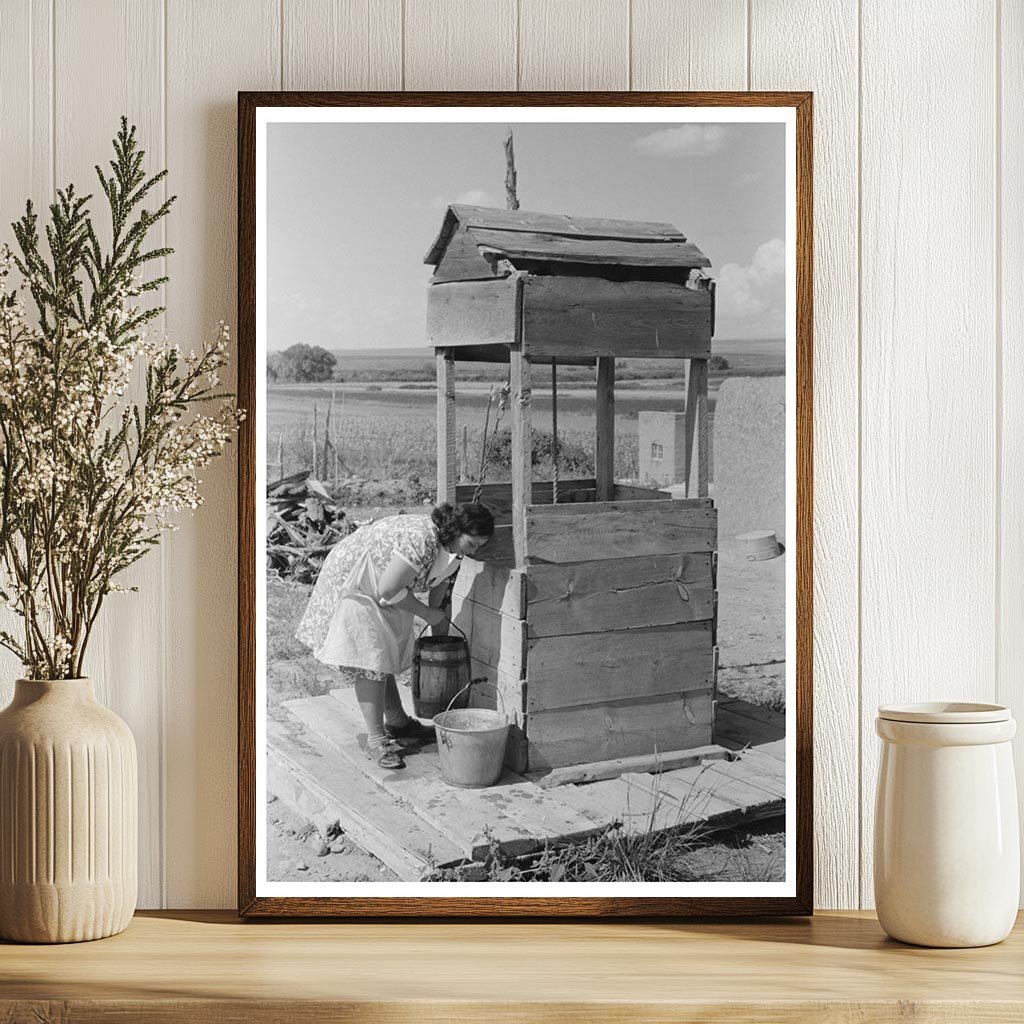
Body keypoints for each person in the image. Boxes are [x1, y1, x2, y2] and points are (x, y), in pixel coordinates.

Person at [295, 502, 494, 768]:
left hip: (383, 583)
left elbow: (441, 594)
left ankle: (398, 722)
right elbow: (388, 590)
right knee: (371, 658)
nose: (474, 551)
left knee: (386, 650)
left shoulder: (454, 551)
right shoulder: (422, 538)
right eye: (472, 543)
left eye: (479, 546)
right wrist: (426, 613)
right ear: (456, 530)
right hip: (356, 579)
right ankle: (376, 739)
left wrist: (440, 642)